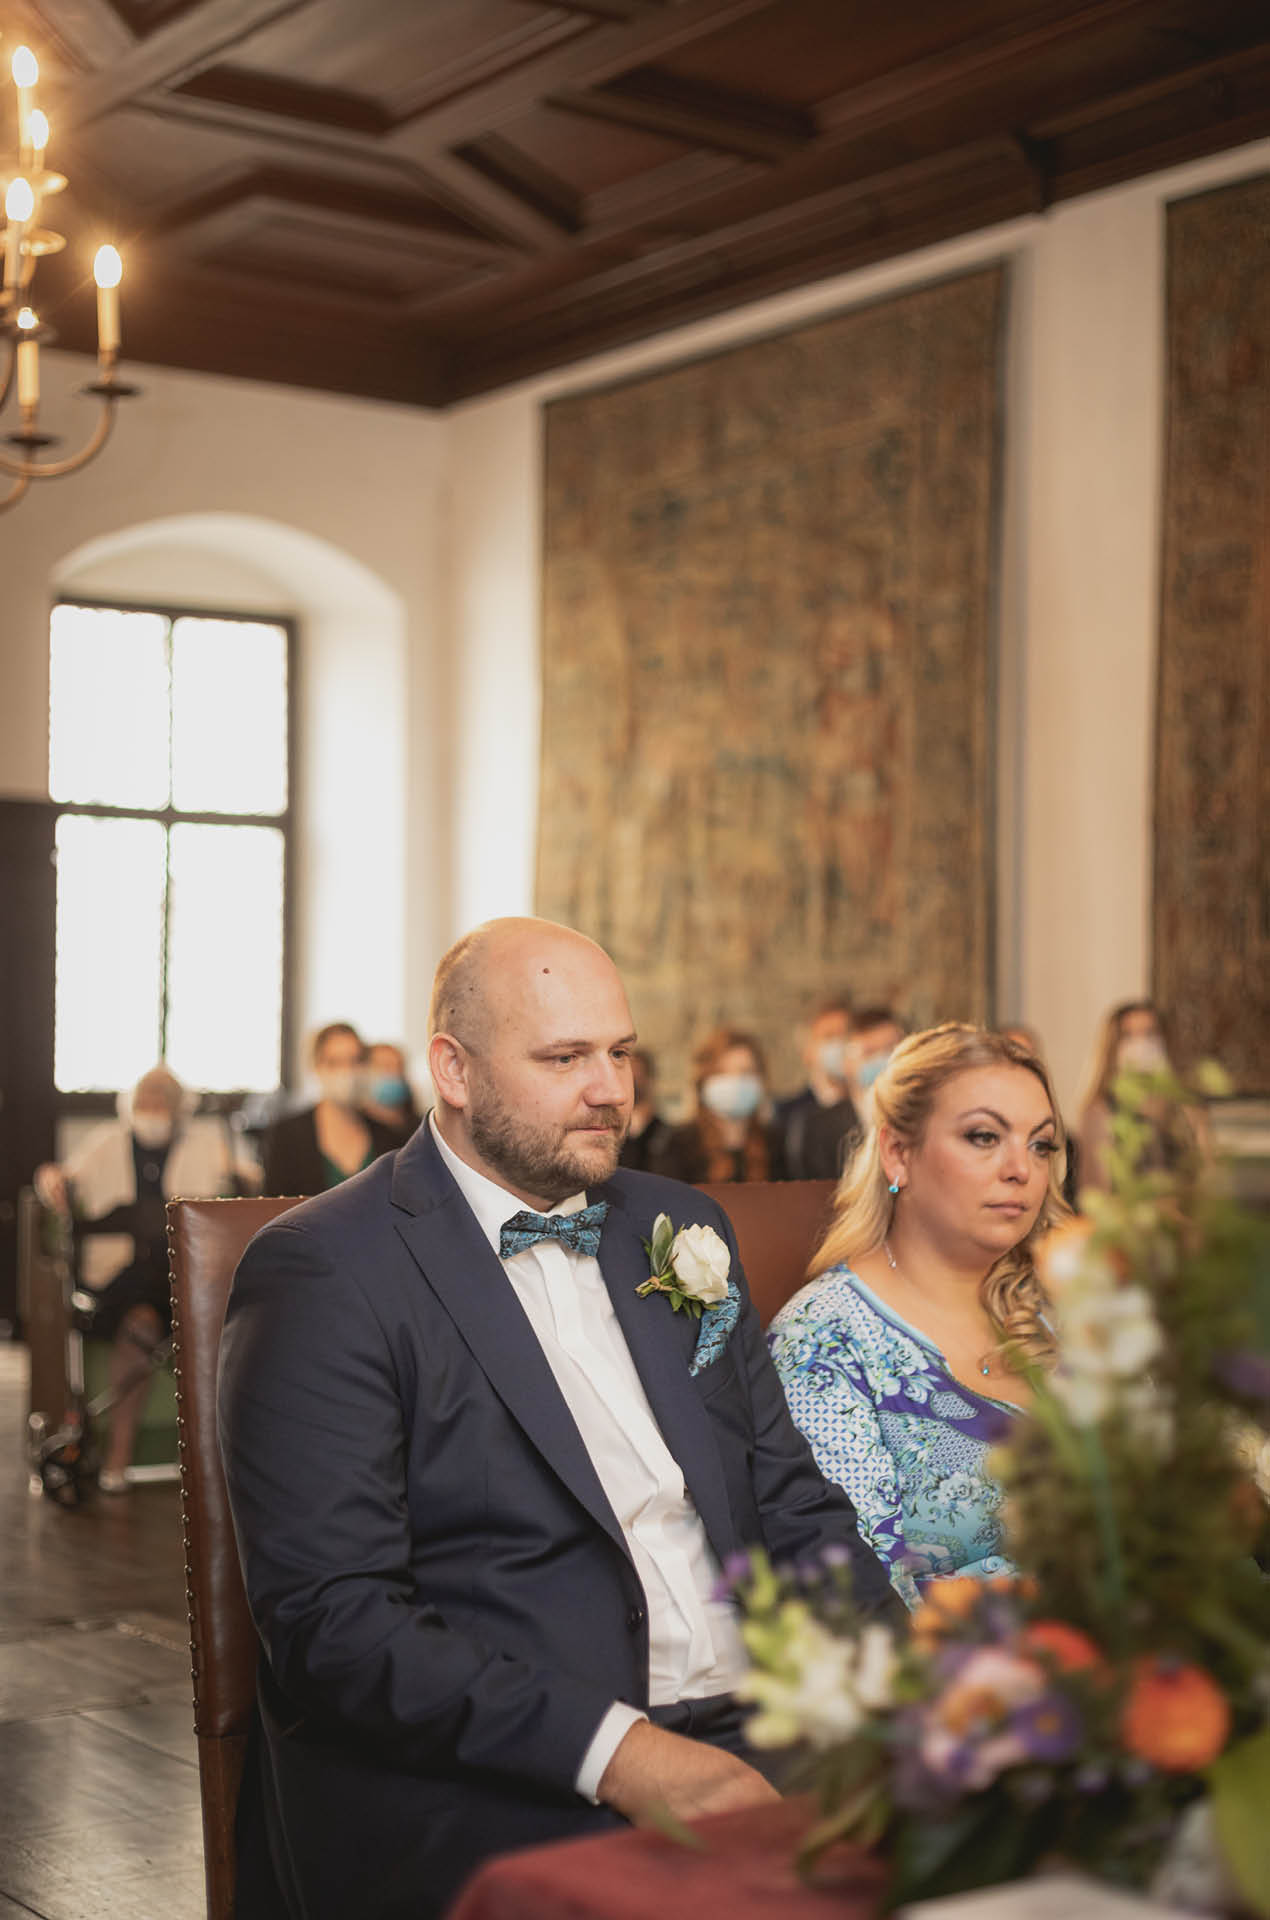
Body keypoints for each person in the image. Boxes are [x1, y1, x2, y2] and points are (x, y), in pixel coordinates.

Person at [218, 919, 899, 1920]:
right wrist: (622, 1754)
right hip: (512, 1774)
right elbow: (337, 1624)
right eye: (564, 1057)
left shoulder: (681, 1227)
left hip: (769, 1724)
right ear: (453, 1070)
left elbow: (792, 1503)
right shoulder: (327, 1270)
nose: (610, 1089)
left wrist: (914, 1687)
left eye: (621, 1053)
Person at [768, 1024, 1069, 1608]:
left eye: (1041, 1144)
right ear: (898, 1153)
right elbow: (862, 1599)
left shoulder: (1066, 1307)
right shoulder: (823, 1342)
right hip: (972, 1658)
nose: (1021, 1168)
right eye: (984, 1136)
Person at [34, 1065, 256, 1490]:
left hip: (183, 1274)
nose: (153, 1109)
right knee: (140, 1321)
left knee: (203, 1315)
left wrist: (242, 1177)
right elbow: (63, 1179)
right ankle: (118, 1456)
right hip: (118, 1276)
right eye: (145, 1101)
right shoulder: (106, 1143)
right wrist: (51, 1179)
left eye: (162, 1101)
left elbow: (244, 1176)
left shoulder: (204, 1145)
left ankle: (216, 1458)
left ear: (178, 1109)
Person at [259, 1021, 399, 1195]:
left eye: (355, 1061)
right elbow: (272, 1204)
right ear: (317, 1067)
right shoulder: (287, 1135)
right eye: (335, 1062)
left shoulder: (388, 1138)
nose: (347, 1071)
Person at [1076, 999, 1199, 1194]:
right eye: (1128, 1036)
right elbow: (1095, 1194)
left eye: (1150, 1034)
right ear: (1113, 1047)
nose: (1141, 1045)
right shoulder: (1099, 1112)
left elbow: (1205, 1177)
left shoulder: (1184, 1109)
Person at [652, 1026, 784, 1184]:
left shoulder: (776, 1144)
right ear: (703, 1081)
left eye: (746, 1071)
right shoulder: (678, 1145)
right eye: (722, 1072)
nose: (736, 1081)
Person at [774, 996, 857, 1181]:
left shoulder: (867, 1108)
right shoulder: (787, 1115)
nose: (840, 1043)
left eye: (846, 1035)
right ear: (808, 1050)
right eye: (829, 1037)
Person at [617, 1045, 671, 1172]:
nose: (633, 1082)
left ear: (649, 1079)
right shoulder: (614, 1131)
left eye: (638, 1075)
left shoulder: (663, 1133)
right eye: (628, 1076)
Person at [361, 1039, 423, 1142]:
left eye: (399, 1066)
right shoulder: (359, 1128)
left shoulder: (420, 1125)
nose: (394, 1072)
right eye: (386, 1066)